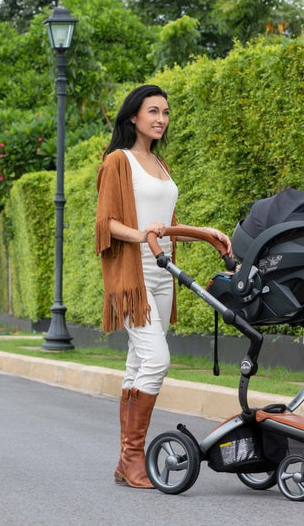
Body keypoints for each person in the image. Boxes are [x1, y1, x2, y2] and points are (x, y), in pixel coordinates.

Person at [95, 84, 231, 489]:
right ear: (133, 116)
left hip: (161, 274)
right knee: (156, 361)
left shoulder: (161, 164)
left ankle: (125, 463)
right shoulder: (117, 162)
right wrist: (142, 236)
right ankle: (133, 458)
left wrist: (204, 234)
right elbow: (106, 225)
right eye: (152, 111)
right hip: (131, 276)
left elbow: (165, 229)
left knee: (139, 364)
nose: (160, 119)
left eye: (165, 113)